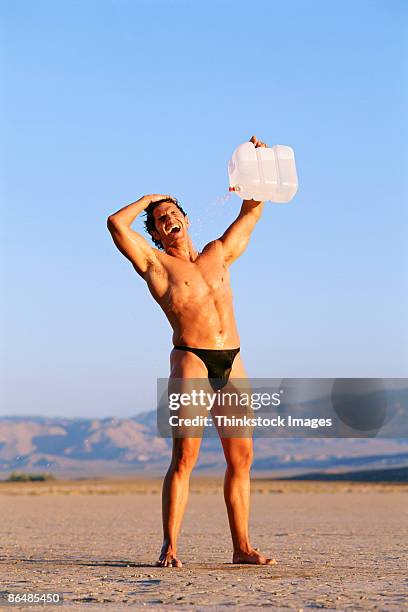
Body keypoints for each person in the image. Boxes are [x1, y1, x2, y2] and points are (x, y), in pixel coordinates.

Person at [107, 135, 276, 567]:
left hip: (232, 359)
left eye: (171, 213)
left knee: (242, 457)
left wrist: (257, 162)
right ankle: (171, 547)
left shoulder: (219, 253)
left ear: (184, 217)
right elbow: (115, 224)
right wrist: (150, 197)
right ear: (158, 233)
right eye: (160, 219)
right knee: (185, 456)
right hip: (193, 360)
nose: (167, 220)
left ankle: (241, 548)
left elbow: (253, 209)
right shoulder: (156, 266)